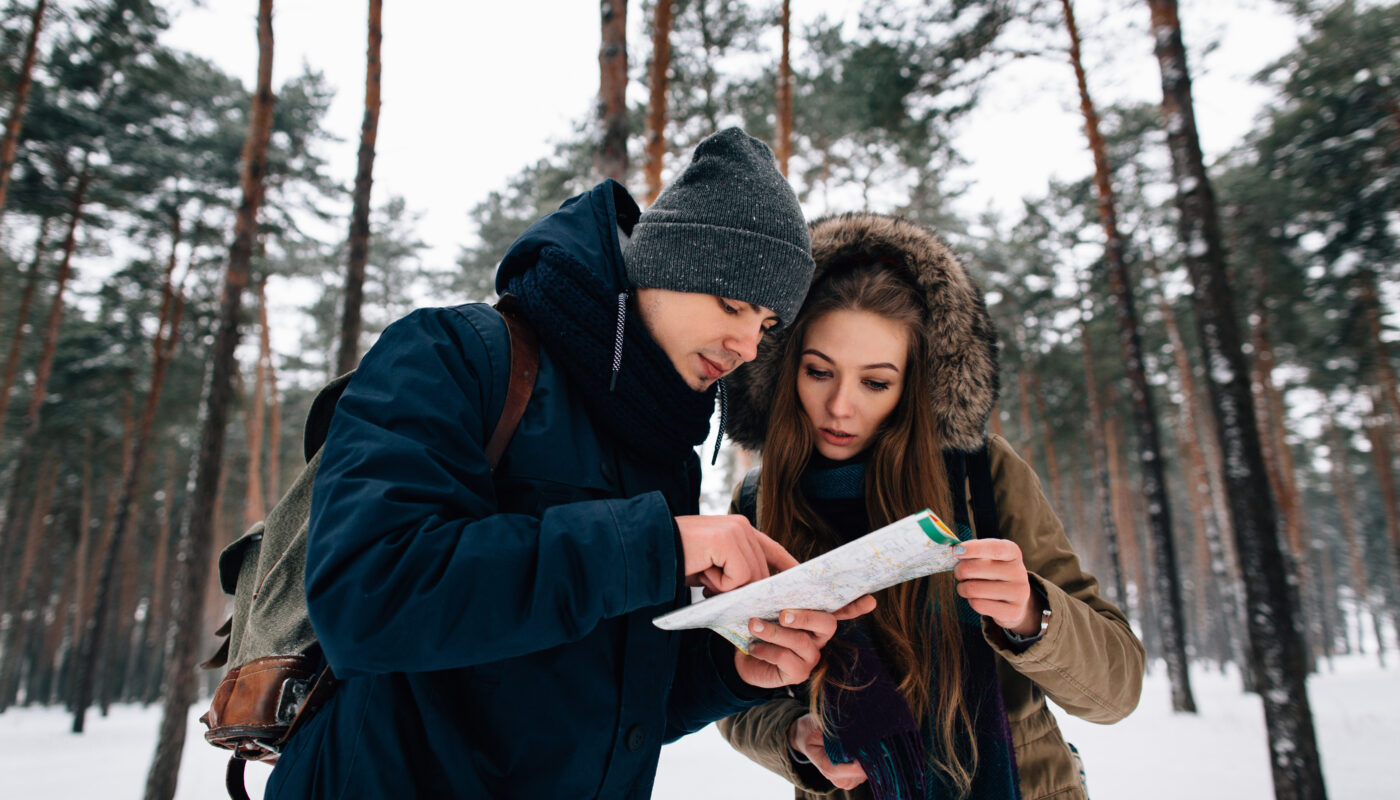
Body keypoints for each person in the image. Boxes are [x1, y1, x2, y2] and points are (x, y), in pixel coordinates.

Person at [265, 129, 874, 799]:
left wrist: (733, 671)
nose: (746, 347)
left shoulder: (666, 453)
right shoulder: (454, 357)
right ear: (661, 265)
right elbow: (366, 597)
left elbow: (607, 708)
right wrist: (652, 543)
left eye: (764, 324)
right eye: (731, 304)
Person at [718, 213, 1145, 800]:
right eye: (819, 372)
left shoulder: (981, 474)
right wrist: (794, 738)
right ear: (785, 368)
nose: (839, 406)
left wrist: (1029, 614)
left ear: (913, 386)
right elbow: (734, 694)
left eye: (875, 382)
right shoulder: (756, 503)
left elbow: (1117, 689)